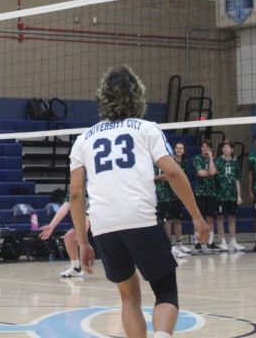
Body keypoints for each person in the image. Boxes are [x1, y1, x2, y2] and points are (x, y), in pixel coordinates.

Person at [69, 65, 208, 338]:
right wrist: (197, 216)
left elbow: (75, 193)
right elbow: (172, 172)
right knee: (165, 290)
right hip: (140, 218)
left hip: (103, 225)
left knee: (128, 297)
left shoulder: (83, 139)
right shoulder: (147, 128)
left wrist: (83, 242)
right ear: (137, 96)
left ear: (103, 97)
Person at [38, 197, 102, 276]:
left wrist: (82, 236)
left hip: (99, 221)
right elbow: (64, 208)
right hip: (86, 222)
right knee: (69, 238)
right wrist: (51, 226)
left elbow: (86, 218)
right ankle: (76, 268)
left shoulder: (84, 192)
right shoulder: (72, 192)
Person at [154, 145, 190, 259]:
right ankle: (169, 246)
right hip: (159, 197)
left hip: (171, 196)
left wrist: (167, 176)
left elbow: (174, 176)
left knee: (174, 219)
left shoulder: (170, 161)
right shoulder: (153, 163)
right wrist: (165, 176)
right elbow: (153, 177)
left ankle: (177, 244)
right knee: (165, 221)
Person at [214, 142, 244, 252]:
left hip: (232, 195)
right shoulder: (217, 161)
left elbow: (237, 180)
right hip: (220, 195)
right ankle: (222, 241)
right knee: (220, 218)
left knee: (232, 218)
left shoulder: (235, 163)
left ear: (232, 150)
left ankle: (233, 241)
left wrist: (239, 195)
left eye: (227, 147)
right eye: (224, 147)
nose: (225, 149)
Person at [192, 140, 219, 253]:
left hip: (211, 193)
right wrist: (209, 172)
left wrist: (211, 159)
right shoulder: (197, 159)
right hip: (200, 192)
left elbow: (212, 172)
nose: (205, 149)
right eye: (203, 147)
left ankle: (210, 242)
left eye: (207, 147)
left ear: (211, 149)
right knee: (199, 218)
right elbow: (200, 173)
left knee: (210, 218)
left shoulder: (215, 160)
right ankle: (198, 242)